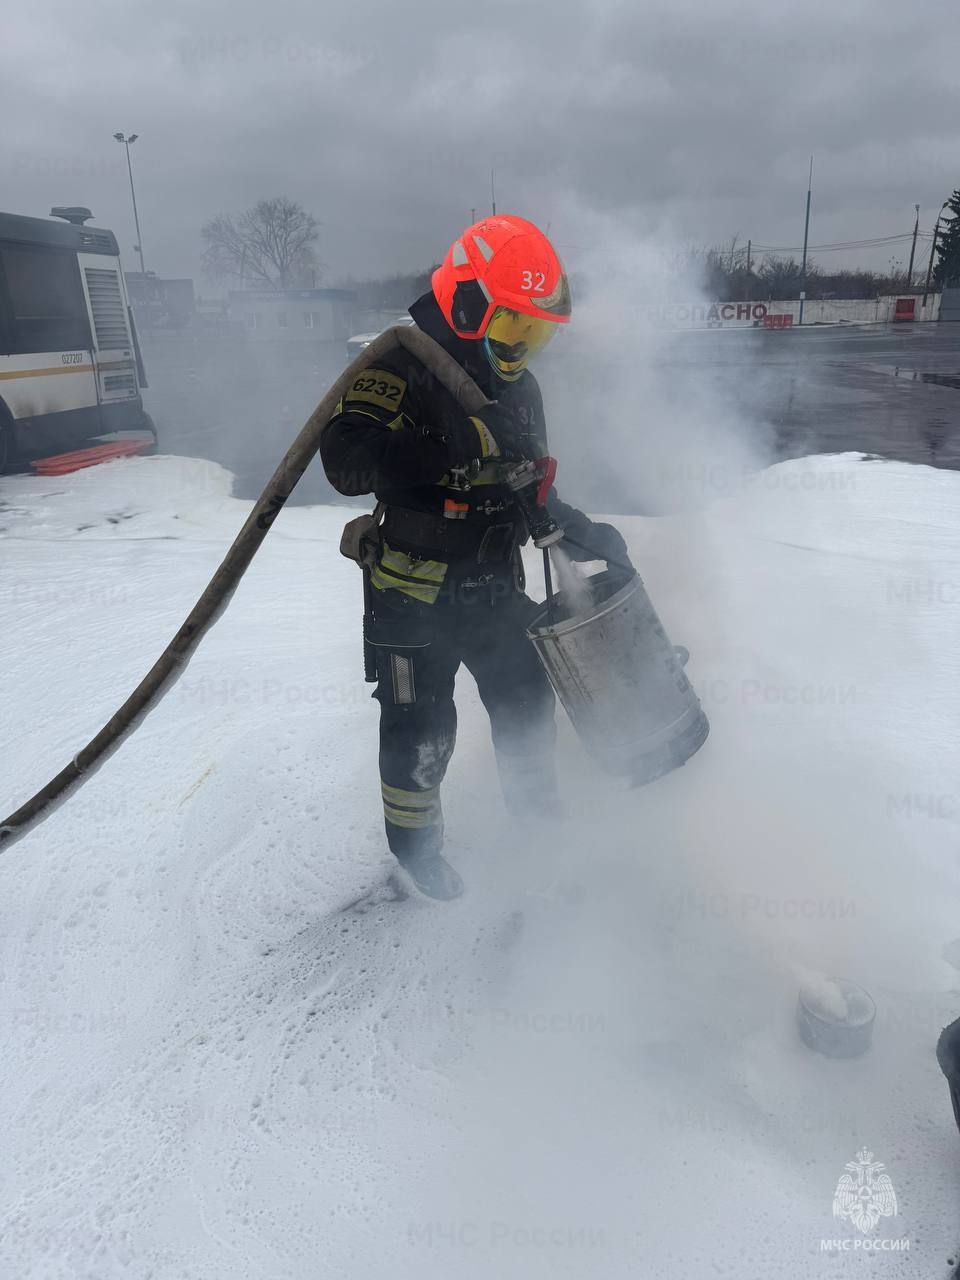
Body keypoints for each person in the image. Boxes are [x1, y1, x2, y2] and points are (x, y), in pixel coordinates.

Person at [321, 215, 630, 899]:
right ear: (464, 304)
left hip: (491, 582)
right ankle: (416, 849)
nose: (520, 350)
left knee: (524, 695)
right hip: (411, 590)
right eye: (511, 329)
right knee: (420, 731)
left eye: (535, 334)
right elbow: (343, 461)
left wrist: (586, 533)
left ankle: (538, 823)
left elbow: (528, 486)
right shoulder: (396, 363)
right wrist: (447, 451)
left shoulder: (518, 385)